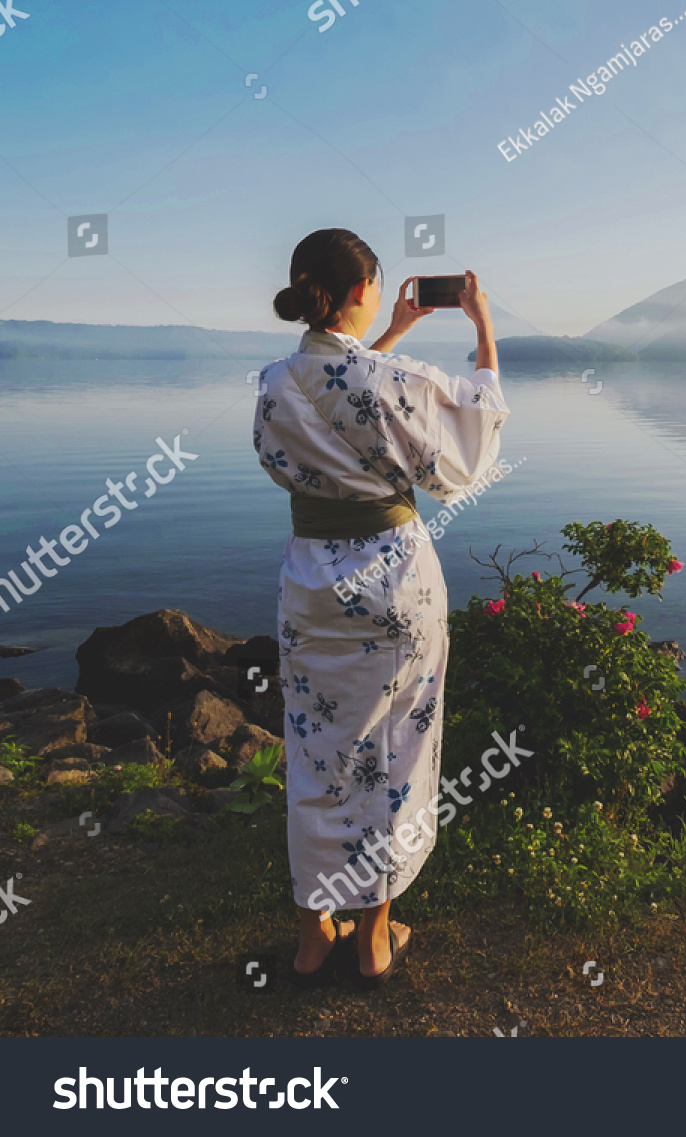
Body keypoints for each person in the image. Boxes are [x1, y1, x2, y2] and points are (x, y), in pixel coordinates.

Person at [255, 229, 507, 988]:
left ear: (306, 287)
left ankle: (310, 936)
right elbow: (464, 451)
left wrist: (391, 333)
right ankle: (372, 939)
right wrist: (482, 327)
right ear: (363, 290)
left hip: (310, 586)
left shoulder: (273, 381)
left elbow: (343, 385)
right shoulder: (393, 379)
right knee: (392, 754)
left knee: (315, 752)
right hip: (393, 585)